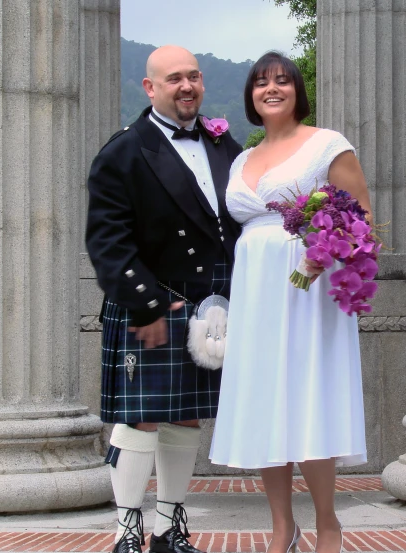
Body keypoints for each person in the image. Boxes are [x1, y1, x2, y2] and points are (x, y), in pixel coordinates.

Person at [209, 51, 371, 553]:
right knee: (264, 404)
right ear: (250, 96)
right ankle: (282, 527)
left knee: (306, 401)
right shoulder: (241, 158)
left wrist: (330, 253)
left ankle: (328, 524)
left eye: (282, 80)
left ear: (298, 90)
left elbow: (361, 221)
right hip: (255, 290)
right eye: (261, 82)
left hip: (308, 288)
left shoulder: (327, 144)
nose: (271, 88)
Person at [86, 45, 242, 553]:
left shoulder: (225, 146)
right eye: (174, 78)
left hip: (207, 309)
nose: (187, 86)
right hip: (154, 304)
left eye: (193, 76)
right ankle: (127, 528)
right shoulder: (125, 151)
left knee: (185, 416)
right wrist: (146, 304)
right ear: (149, 87)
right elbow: (109, 241)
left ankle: (169, 528)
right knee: (141, 416)